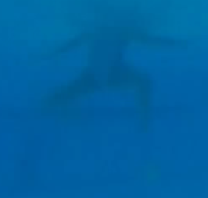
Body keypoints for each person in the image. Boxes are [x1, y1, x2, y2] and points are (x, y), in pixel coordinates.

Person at [43, 20, 185, 129]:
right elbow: (151, 40)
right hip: (99, 74)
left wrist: (51, 53)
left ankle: (144, 118)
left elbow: (151, 40)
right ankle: (144, 119)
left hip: (99, 74)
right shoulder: (116, 30)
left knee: (144, 81)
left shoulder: (102, 29)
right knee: (144, 81)